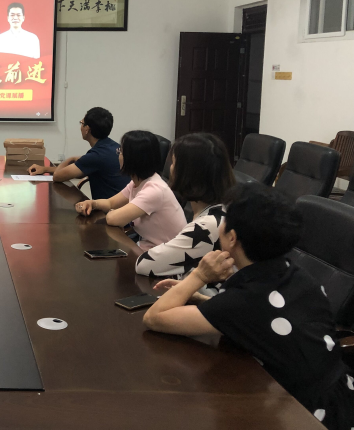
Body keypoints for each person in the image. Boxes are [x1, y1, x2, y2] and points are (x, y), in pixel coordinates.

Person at [143, 184, 354, 430]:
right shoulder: (295, 274)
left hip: (302, 415)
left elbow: (154, 317)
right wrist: (201, 299)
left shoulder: (243, 302)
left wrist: (199, 276)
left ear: (232, 238)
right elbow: (259, 316)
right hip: (341, 397)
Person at [135, 133, 234, 277]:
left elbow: (143, 264)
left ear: (188, 173)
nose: (170, 168)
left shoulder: (207, 226)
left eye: (173, 163)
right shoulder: (223, 209)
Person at [75, 130, 186, 250]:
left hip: (168, 253)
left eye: (121, 152)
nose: (118, 155)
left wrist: (113, 211)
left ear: (133, 158)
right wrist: (92, 203)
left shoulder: (154, 190)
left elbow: (113, 219)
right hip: (150, 246)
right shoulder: (137, 182)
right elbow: (110, 203)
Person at [28, 107, 129, 200]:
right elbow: (78, 169)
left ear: (87, 129)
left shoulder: (96, 156)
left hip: (109, 211)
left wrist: (70, 158)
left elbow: (57, 176)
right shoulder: (114, 147)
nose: (80, 126)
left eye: (81, 123)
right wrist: (45, 169)